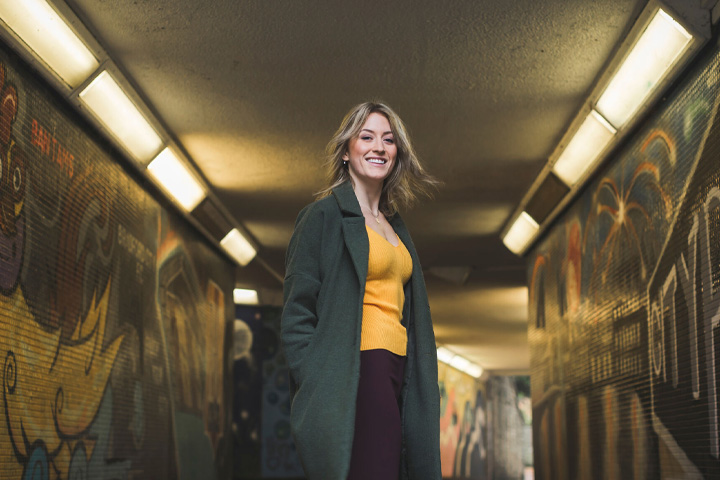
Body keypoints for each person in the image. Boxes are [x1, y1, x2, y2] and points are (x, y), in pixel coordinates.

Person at [281, 101, 441, 480]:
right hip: (359, 367)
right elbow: (297, 312)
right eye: (366, 137)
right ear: (346, 151)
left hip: (400, 367)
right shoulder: (321, 217)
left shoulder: (395, 227)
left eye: (388, 139)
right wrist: (319, 376)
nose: (378, 147)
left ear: (397, 152)